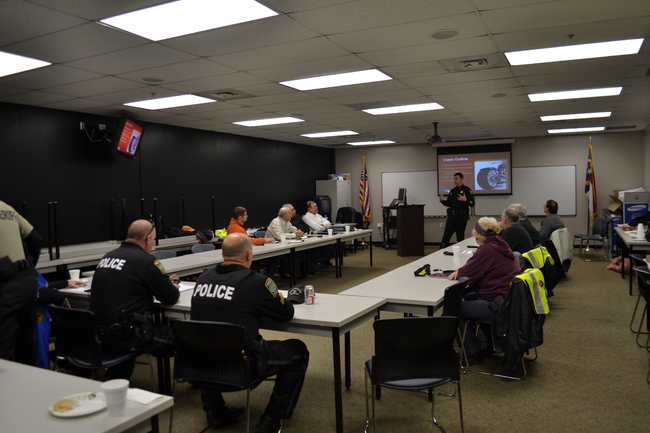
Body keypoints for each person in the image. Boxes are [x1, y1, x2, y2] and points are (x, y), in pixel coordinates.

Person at [191, 233, 309, 433]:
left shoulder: (203, 278)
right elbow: (285, 313)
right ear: (248, 255)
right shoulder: (257, 282)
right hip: (242, 367)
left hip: (199, 366)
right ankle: (270, 421)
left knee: (209, 342)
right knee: (298, 351)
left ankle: (215, 411)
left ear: (223, 254)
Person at [89, 219, 180, 379]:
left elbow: (127, 285)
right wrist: (168, 285)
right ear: (148, 239)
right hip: (126, 335)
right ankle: (193, 378)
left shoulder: (108, 256)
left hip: (97, 333)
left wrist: (158, 282)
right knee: (184, 336)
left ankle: (115, 378)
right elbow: (170, 297)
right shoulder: (147, 261)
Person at [447, 217, 521, 365]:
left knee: (452, 309)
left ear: (478, 237)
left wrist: (459, 271)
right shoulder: (500, 243)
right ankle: (492, 344)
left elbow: (465, 275)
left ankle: (473, 353)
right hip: (508, 299)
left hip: (498, 304)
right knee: (470, 297)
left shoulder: (486, 250)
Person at [0, 200, 42, 365]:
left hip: (4, 284)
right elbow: (35, 240)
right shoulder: (7, 208)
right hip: (24, 280)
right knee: (25, 347)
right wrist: (29, 271)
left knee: (3, 354)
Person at [265, 207, 307, 279]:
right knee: (293, 255)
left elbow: (293, 229)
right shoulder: (276, 222)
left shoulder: (287, 222)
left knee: (301, 252)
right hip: (272, 248)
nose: (292, 215)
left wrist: (299, 232)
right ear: (284, 216)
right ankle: (291, 274)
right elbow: (279, 236)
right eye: (290, 213)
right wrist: (295, 235)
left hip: (283, 245)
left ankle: (295, 273)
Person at [439, 172, 475, 249]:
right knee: (446, 236)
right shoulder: (452, 191)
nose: (455, 180)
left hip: (461, 217)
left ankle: (461, 252)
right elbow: (449, 203)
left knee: (460, 237)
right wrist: (442, 201)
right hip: (451, 217)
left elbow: (472, 203)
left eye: (457, 179)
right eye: (454, 179)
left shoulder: (467, 190)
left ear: (462, 179)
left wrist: (465, 200)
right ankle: (440, 251)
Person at [301, 201, 334, 269]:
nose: (317, 207)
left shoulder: (318, 215)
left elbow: (329, 223)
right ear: (309, 209)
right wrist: (323, 226)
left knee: (335, 242)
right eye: (315, 206)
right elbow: (318, 228)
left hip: (323, 234)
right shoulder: (307, 217)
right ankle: (316, 263)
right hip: (314, 236)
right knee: (327, 244)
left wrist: (322, 225)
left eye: (316, 206)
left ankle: (325, 259)